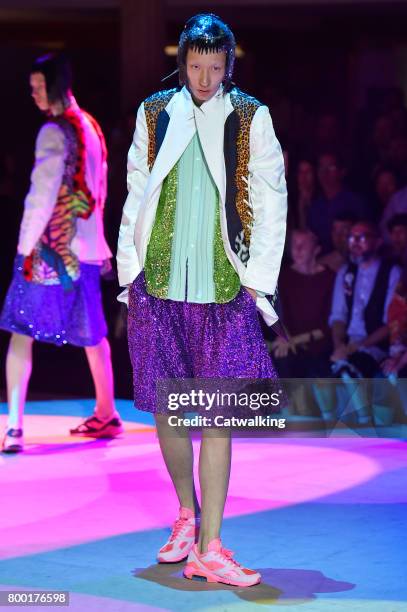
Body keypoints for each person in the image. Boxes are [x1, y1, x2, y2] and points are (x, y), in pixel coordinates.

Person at [117, 14, 287, 587]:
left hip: (223, 287)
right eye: (195, 67)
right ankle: (187, 516)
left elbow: (271, 199)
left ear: (229, 65)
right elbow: (138, 189)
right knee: (168, 409)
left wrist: (259, 280)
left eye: (215, 68)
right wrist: (129, 269)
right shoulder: (155, 111)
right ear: (182, 61)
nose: (205, 79)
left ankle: (211, 546)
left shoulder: (249, 116)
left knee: (218, 416)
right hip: (161, 281)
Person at [0, 53, 123, 453]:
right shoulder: (90, 126)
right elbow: (98, 190)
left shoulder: (54, 131)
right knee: (94, 335)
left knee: (21, 330)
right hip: (86, 247)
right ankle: (106, 412)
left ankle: (15, 427)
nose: (33, 92)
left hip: (50, 250)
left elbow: (41, 195)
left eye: (38, 86)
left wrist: (24, 248)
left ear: (54, 86)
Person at [329, 221, 400, 423]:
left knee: (349, 367)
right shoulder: (345, 272)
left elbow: (391, 323)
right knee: (339, 366)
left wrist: (356, 347)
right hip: (351, 345)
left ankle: (367, 422)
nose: (355, 243)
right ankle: (362, 420)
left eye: (361, 237)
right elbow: (338, 316)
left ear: (377, 242)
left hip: (378, 345)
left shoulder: (391, 272)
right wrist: (339, 346)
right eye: (351, 238)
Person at [307, 152, 368, 254]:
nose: (325, 173)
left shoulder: (356, 202)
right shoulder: (315, 207)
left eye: (331, 167)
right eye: (321, 168)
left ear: (342, 172)